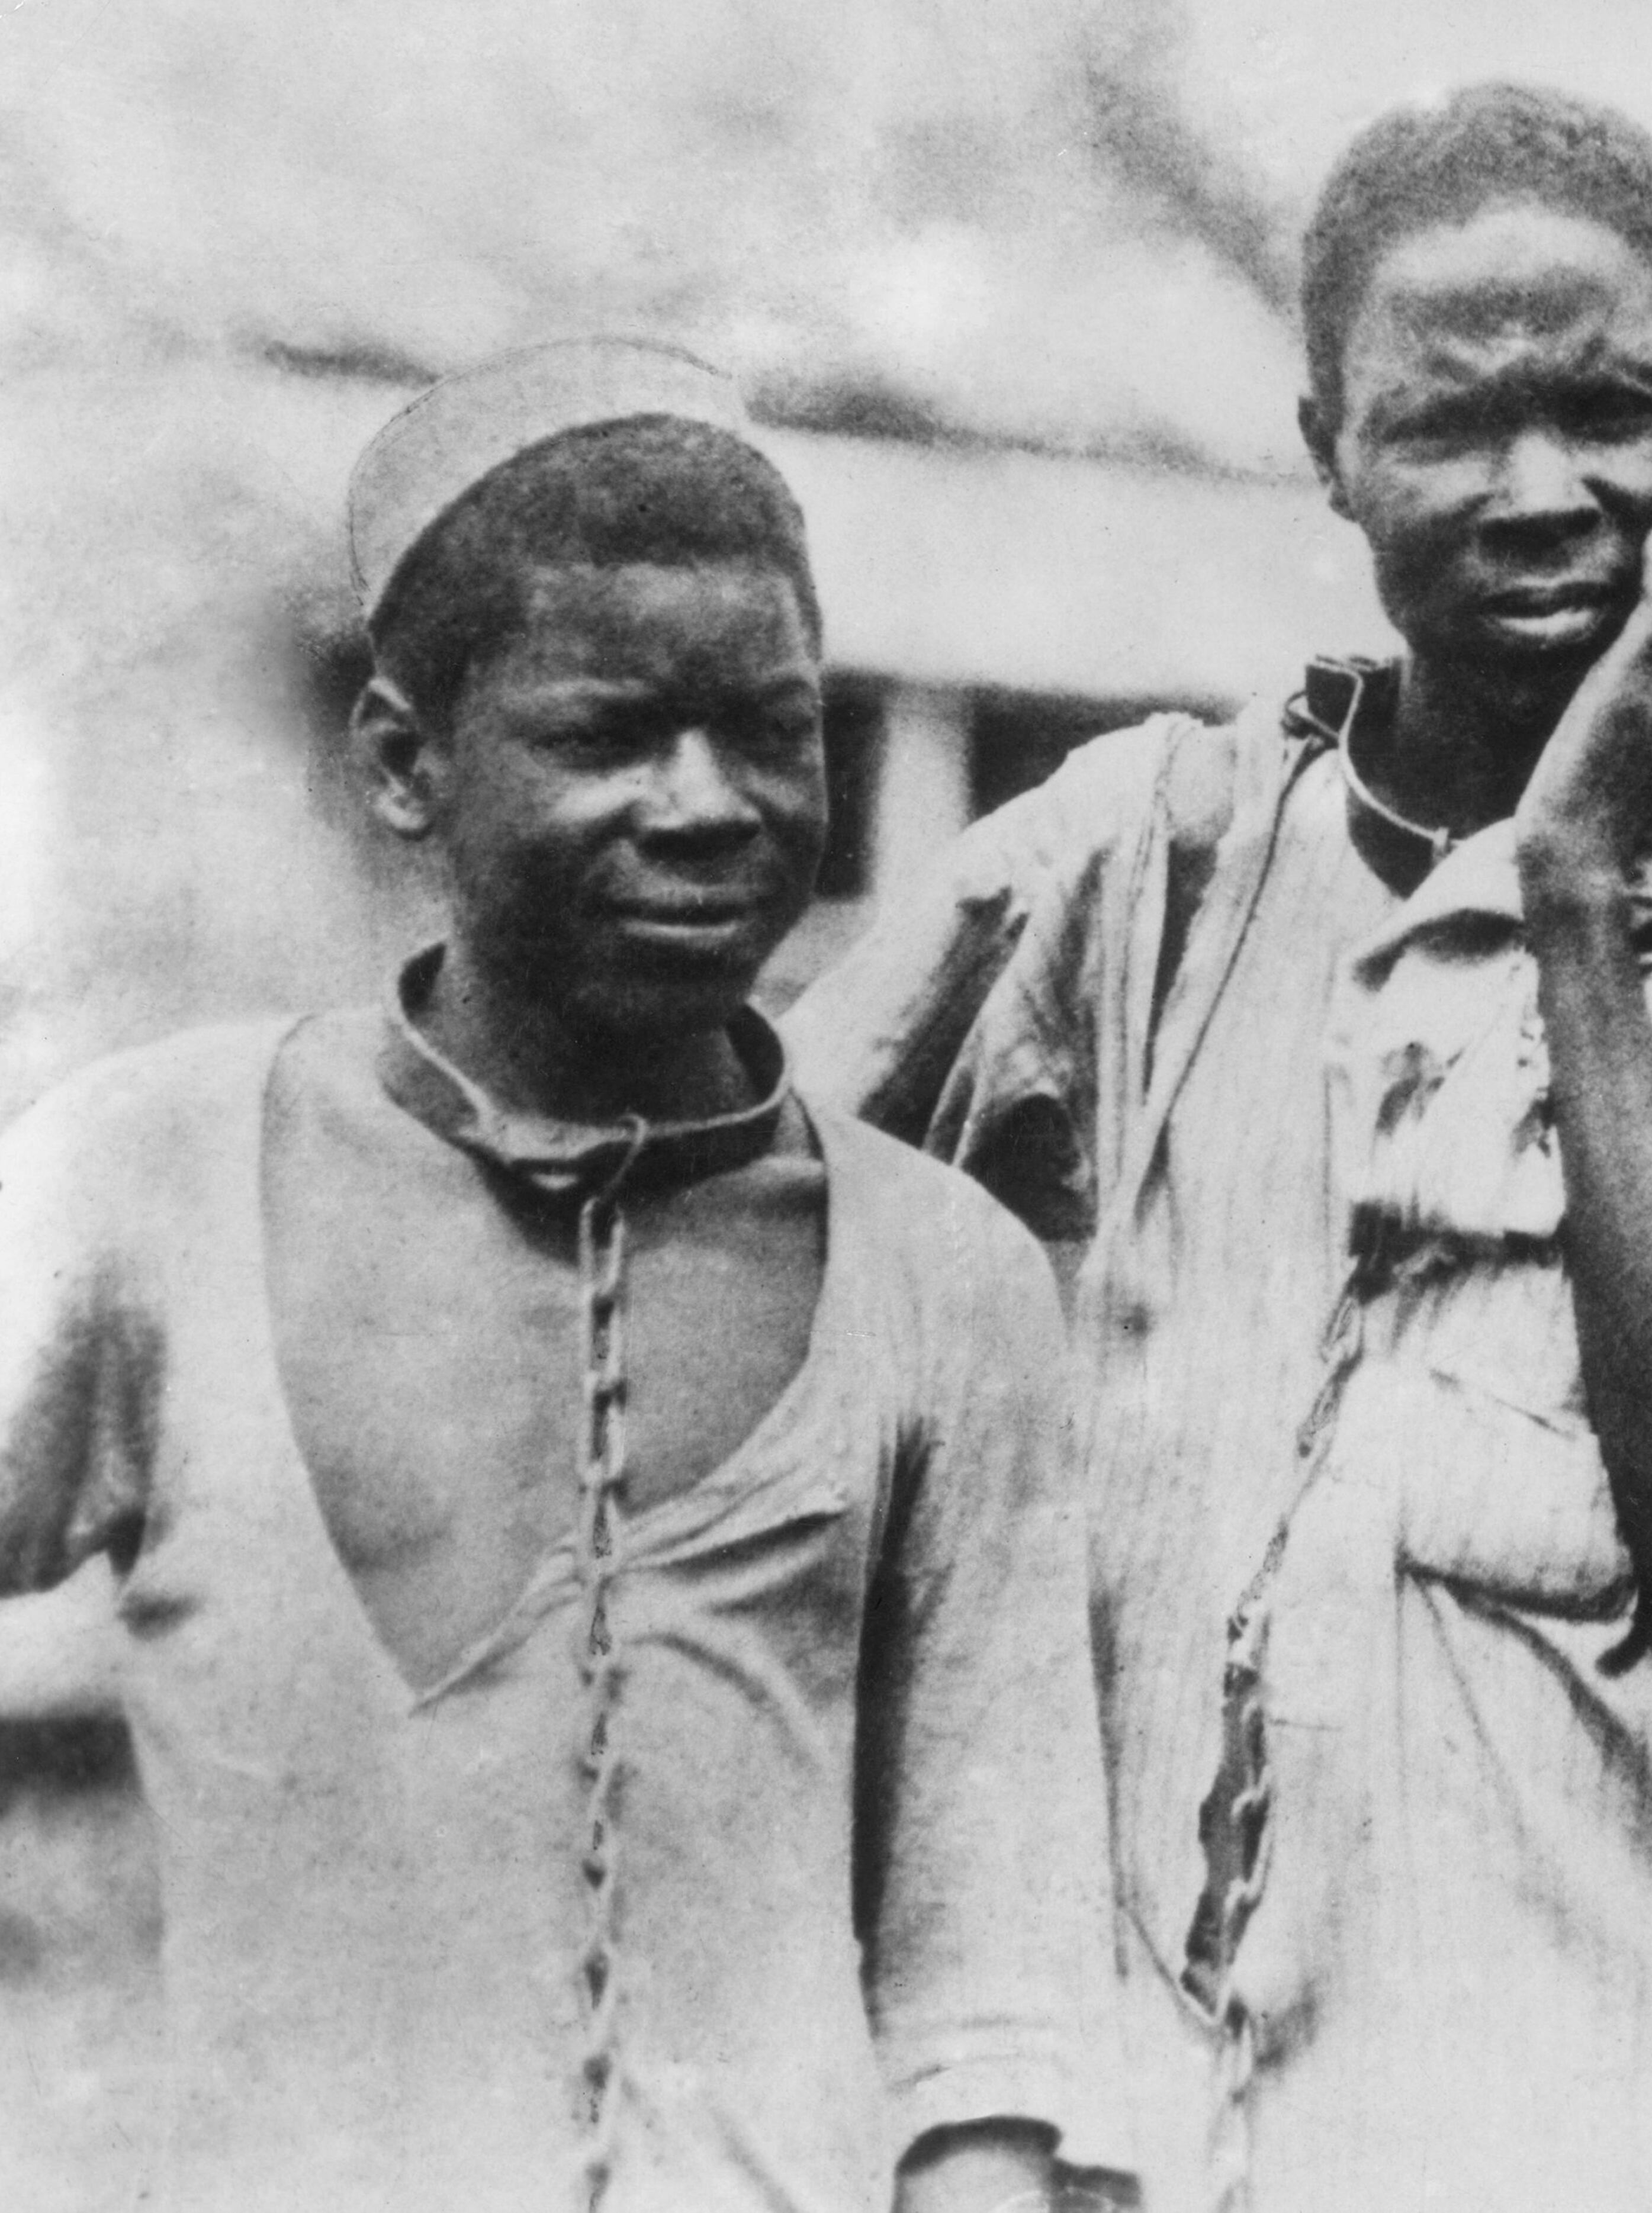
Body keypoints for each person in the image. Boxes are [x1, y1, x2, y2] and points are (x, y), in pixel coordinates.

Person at [787, 83, 1652, 2213]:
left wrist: (1576, 892)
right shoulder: (1147, 852)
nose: (1542, 490)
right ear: (1327, 454)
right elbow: (753, 1200)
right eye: (1450, 426)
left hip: (1586, 2128)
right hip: (1123, 2146)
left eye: (1609, 408)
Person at [0, 340, 1119, 2213]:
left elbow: (986, 2005)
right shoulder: (144, 1181)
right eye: (607, 734)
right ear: (400, 765)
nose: (709, 804)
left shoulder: (949, 1282)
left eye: (774, 728)